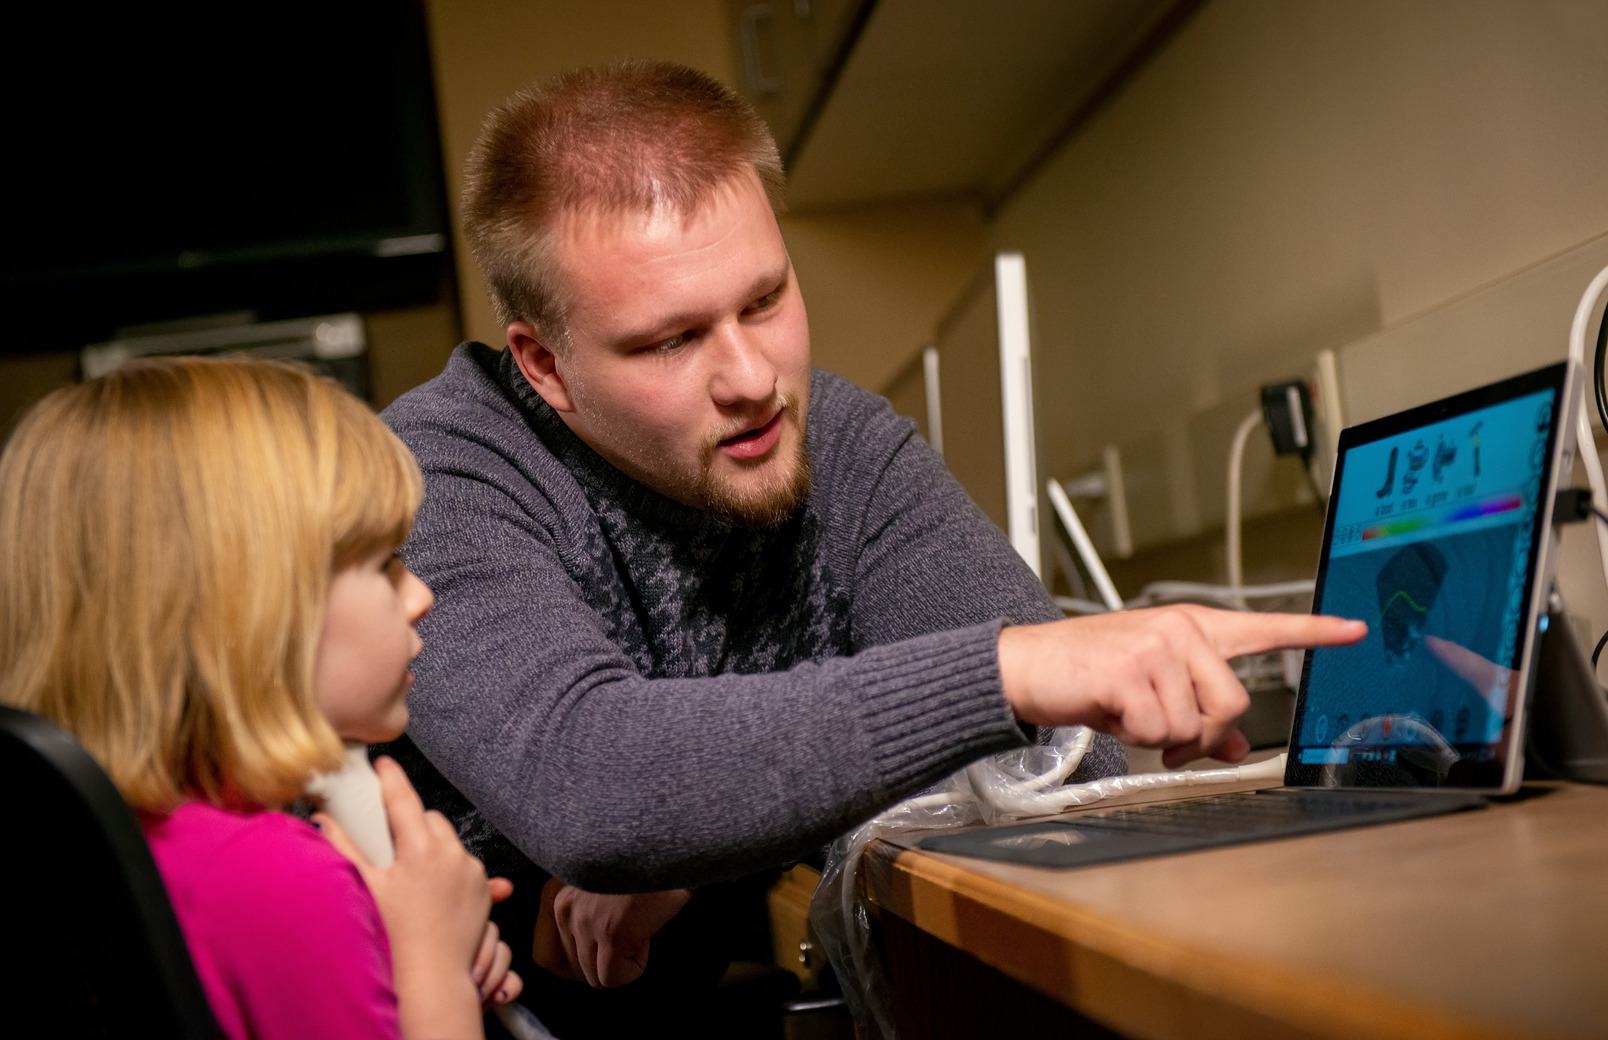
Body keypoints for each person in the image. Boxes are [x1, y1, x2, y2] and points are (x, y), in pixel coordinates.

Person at [380, 60, 1365, 1032]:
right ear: (545, 364)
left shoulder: (835, 439)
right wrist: (1011, 670)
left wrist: (700, 842)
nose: (752, 375)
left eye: (764, 299)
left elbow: (1065, 766)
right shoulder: (439, 472)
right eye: (673, 340)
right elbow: (595, 782)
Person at [0, 357, 523, 1040]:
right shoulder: (275, 881)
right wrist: (433, 968)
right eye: (385, 565)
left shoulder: (136, 837)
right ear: (255, 611)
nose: (420, 597)